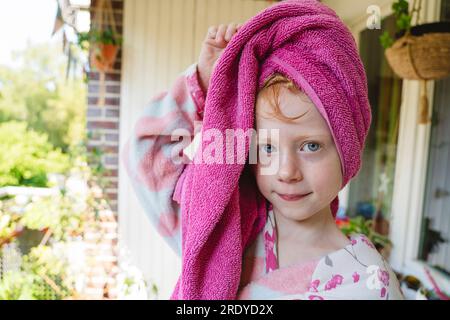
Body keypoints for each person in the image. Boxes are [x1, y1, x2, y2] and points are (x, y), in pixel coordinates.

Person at [123, 18, 404, 300]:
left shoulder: (371, 286)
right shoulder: (225, 227)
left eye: (310, 146)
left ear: (347, 149)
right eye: (267, 148)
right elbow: (146, 156)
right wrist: (204, 84)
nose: (286, 171)